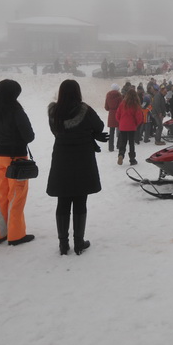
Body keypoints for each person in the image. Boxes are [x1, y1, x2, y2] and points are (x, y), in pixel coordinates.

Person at [47, 79, 108, 255]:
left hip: (61, 158)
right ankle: (79, 242)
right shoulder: (84, 110)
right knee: (80, 199)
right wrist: (90, 134)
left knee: (63, 201)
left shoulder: (54, 112)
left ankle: (63, 244)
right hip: (82, 158)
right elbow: (99, 126)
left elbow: (55, 131)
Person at [0, 79, 36, 246]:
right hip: (16, 159)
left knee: (0, 196)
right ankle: (16, 235)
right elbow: (29, 136)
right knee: (16, 196)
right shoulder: (16, 110)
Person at [115, 89, 145, 165]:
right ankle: (132, 159)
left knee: (123, 142)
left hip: (123, 126)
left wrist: (121, 122)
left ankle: (121, 154)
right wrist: (136, 124)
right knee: (131, 143)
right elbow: (139, 117)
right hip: (132, 126)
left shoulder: (122, 104)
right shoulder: (136, 105)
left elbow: (117, 115)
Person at [104, 84, 123, 152]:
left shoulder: (108, 95)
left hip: (111, 114)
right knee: (120, 130)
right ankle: (119, 145)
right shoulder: (119, 96)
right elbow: (121, 106)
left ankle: (110, 147)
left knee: (111, 132)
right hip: (118, 114)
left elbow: (106, 107)